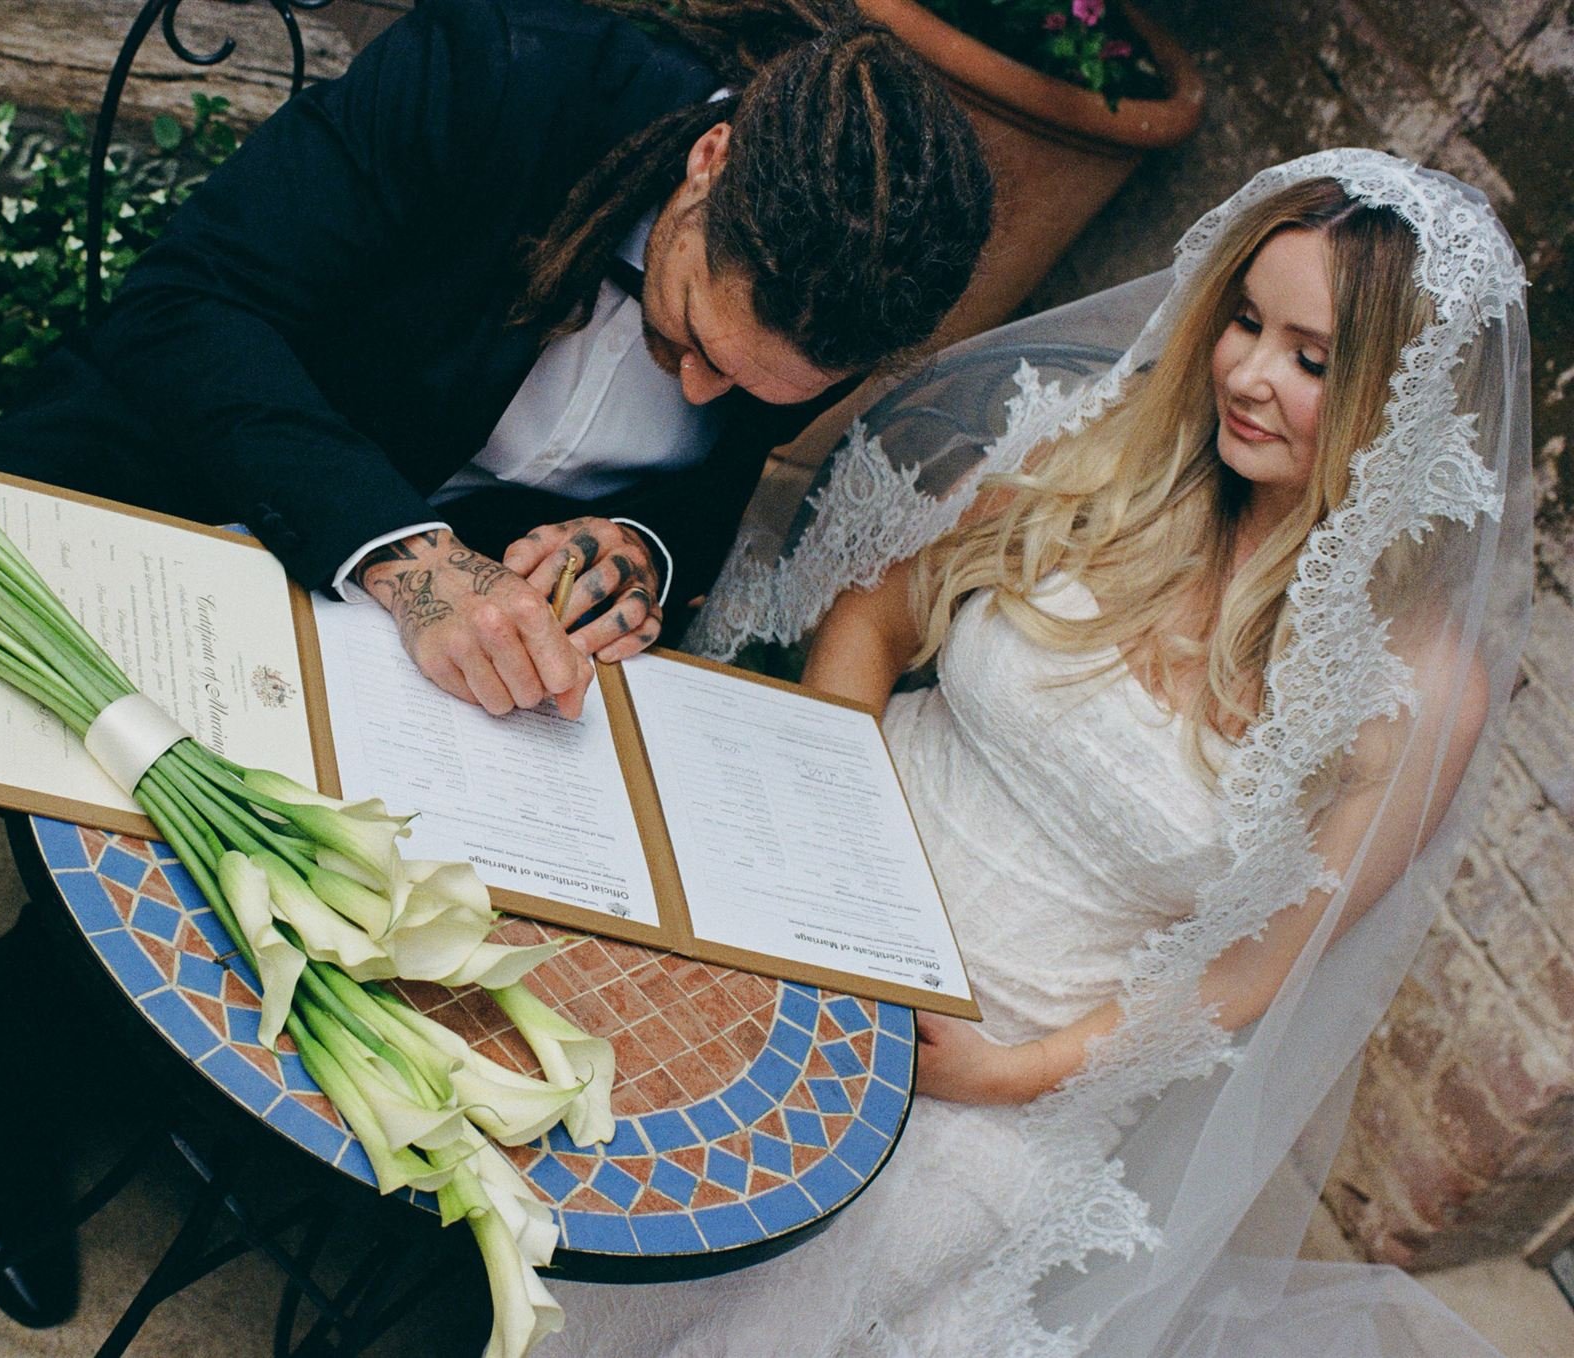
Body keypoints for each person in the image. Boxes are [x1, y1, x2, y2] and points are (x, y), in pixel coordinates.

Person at [0, 0, 991, 1337]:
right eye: (687, 332)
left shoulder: (800, 282)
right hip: (155, 481)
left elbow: (690, 486)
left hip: (390, 664)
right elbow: (187, 304)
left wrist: (637, 543)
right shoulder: (492, 67)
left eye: (746, 392)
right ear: (710, 160)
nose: (697, 390)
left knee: (306, 885)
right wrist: (407, 557)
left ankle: (13, 1085)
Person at [545, 150, 1531, 1356]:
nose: (1247, 375)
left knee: (795, 1280)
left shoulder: (1414, 686)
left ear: (1399, 404)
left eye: (1310, 358)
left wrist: (1013, 1072)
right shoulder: (1100, 456)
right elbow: (874, 614)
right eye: (1242, 321)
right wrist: (821, 838)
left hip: (1009, 1057)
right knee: (607, 1153)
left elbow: (1245, 976)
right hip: (811, 887)